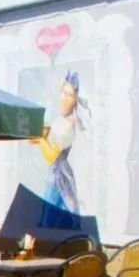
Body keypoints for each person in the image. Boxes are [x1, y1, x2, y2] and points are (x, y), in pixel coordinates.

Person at [30, 71, 89, 230]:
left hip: (58, 173)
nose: (64, 98)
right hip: (56, 171)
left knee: (49, 215)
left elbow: (51, 156)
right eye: (63, 92)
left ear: (76, 100)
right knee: (59, 213)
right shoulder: (60, 119)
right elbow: (48, 140)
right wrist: (39, 137)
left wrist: (42, 140)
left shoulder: (68, 126)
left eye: (69, 95)